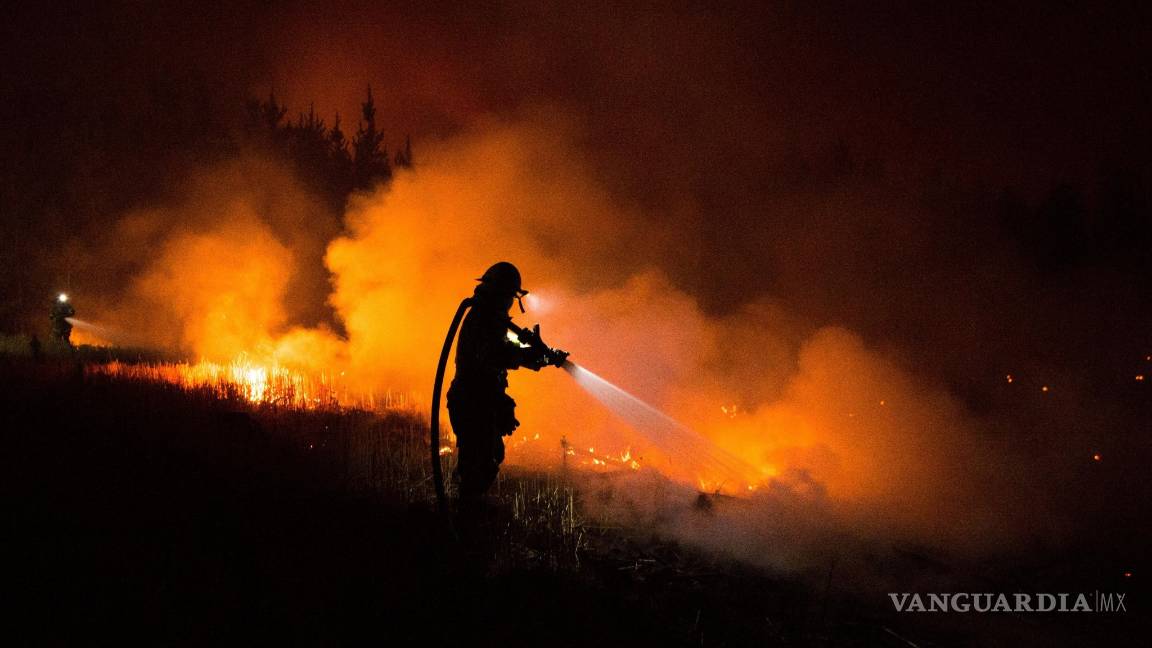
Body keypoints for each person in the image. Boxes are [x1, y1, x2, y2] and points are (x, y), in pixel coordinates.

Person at [447, 262, 567, 500]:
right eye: (507, 296)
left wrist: (538, 356)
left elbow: (504, 347)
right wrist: (527, 355)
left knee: (488, 457)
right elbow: (492, 354)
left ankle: (467, 513)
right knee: (479, 464)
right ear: (498, 294)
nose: (509, 303)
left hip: (481, 400)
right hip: (471, 401)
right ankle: (464, 522)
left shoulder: (491, 319)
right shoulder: (482, 318)